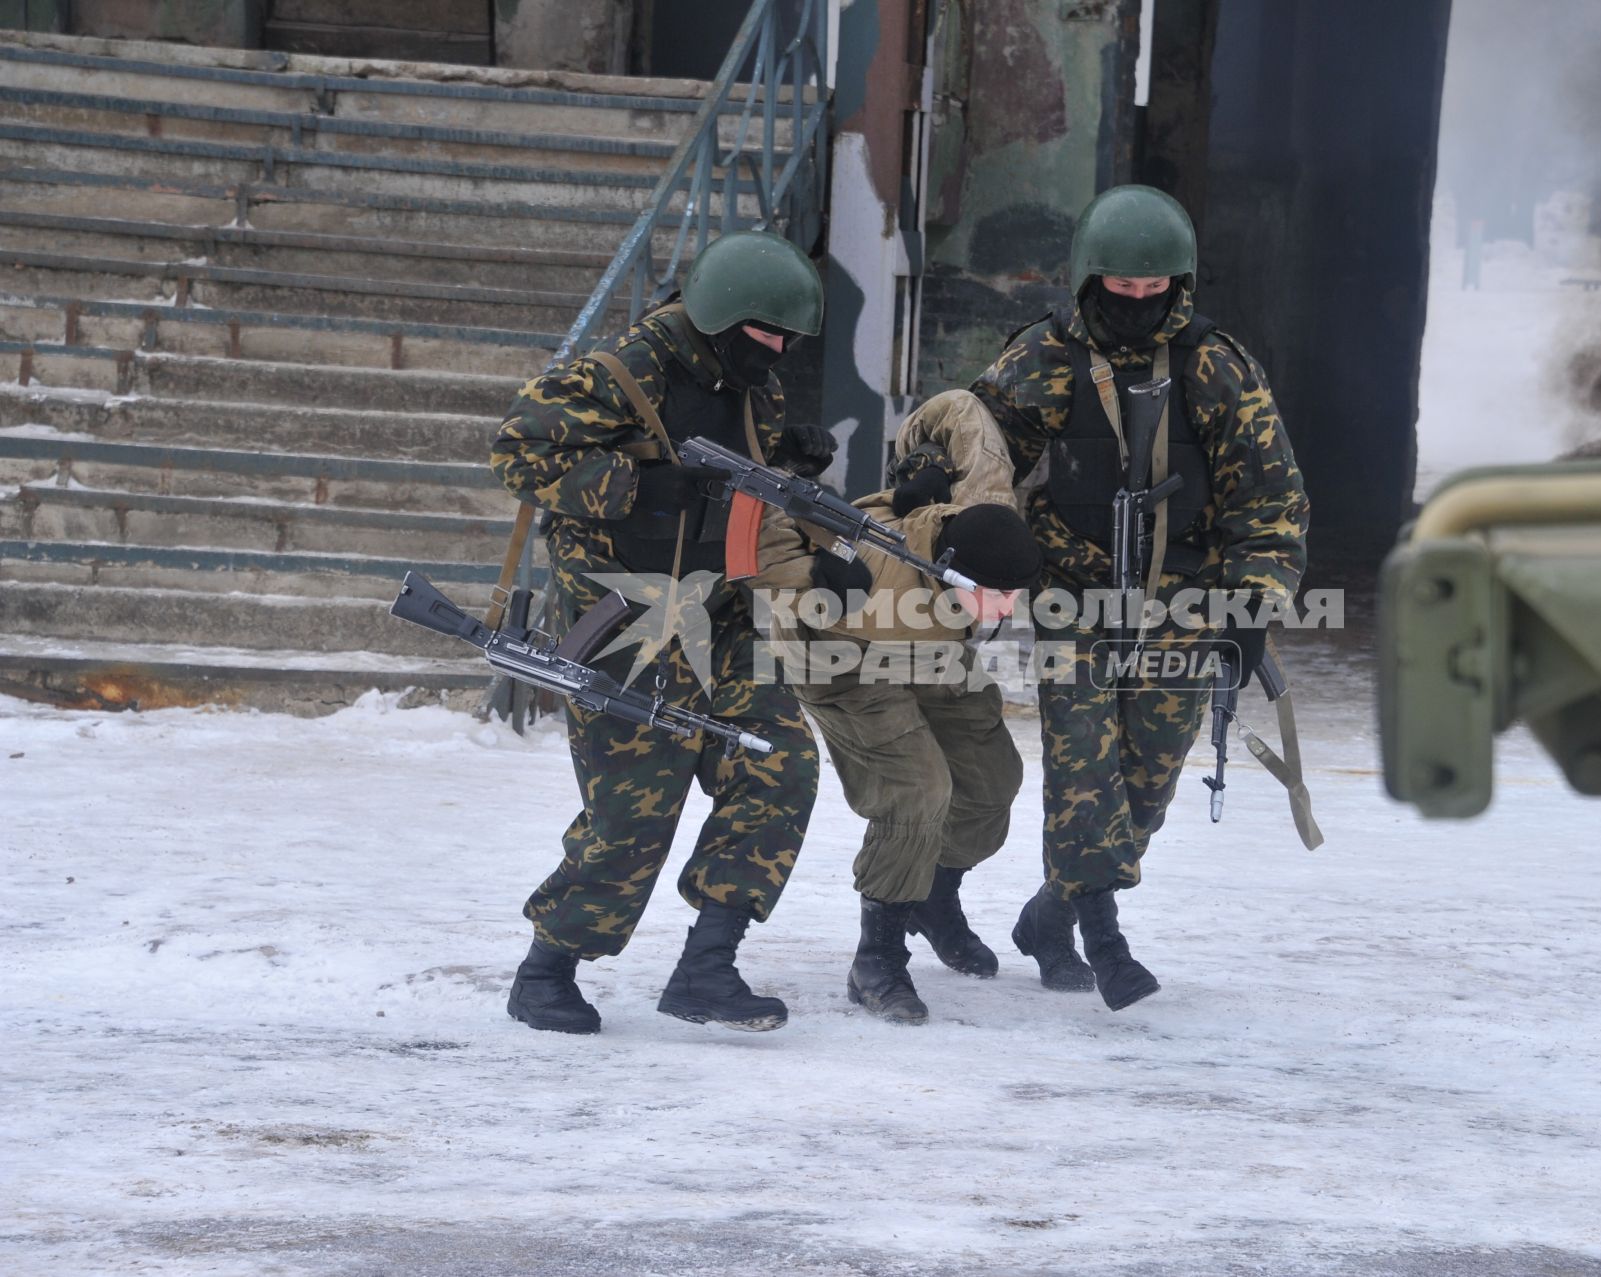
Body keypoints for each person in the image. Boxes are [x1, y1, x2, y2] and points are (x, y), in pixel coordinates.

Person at [970, 185, 1309, 1011]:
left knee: (1145, 786)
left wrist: (1251, 608)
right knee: (1083, 769)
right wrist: (983, 544)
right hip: (1075, 598)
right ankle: (1104, 935)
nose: (1135, 303)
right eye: (1118, 289)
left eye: (1151, 291)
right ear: (1089, 279)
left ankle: (1050, 915)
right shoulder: (1039, 359)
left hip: (1182, 605)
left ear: (1178, 284)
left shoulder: (1217, 368)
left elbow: (1269, 500)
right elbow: (977, 459)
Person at [489, 231, 832, 1035]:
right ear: (717, 317)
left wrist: (791, 456)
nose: (777, 352)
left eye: (789, 340)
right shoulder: (615, 375)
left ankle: (707, 966)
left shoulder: (756, 390)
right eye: (764, 335)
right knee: (633, 812)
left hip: (721, 615)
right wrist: (635, 489)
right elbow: (516, 453)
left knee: (779, 765)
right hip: (623, 622)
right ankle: (545, 972)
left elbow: (740, 477)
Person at [750, 390, 1041, 1024]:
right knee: (918, 789)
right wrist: (787, 485)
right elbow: (766, 548)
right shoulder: (872, 571)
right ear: (958, 575)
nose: (1008, 610)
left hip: (933, 643)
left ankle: (934, 894)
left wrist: (921, 459)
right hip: (841, 658)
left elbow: (960, 408)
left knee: (995, 781)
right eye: (997, 595)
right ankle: (876, 959)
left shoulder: (983, 515)